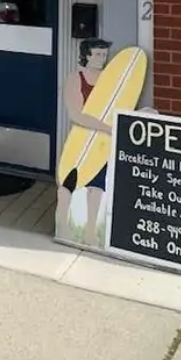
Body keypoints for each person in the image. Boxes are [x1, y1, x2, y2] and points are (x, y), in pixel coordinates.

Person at [56, 37, 113, 246]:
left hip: (100, 142)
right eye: (98, 54)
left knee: (97, 185)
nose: (102, 59)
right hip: (79, 139)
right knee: (69, 181)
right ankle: (62, 226)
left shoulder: (110, 81)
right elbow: (76, 114)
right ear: (86, 55)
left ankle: (90, 232)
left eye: (104, 55)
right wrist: (107, 128)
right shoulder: (75, 79)